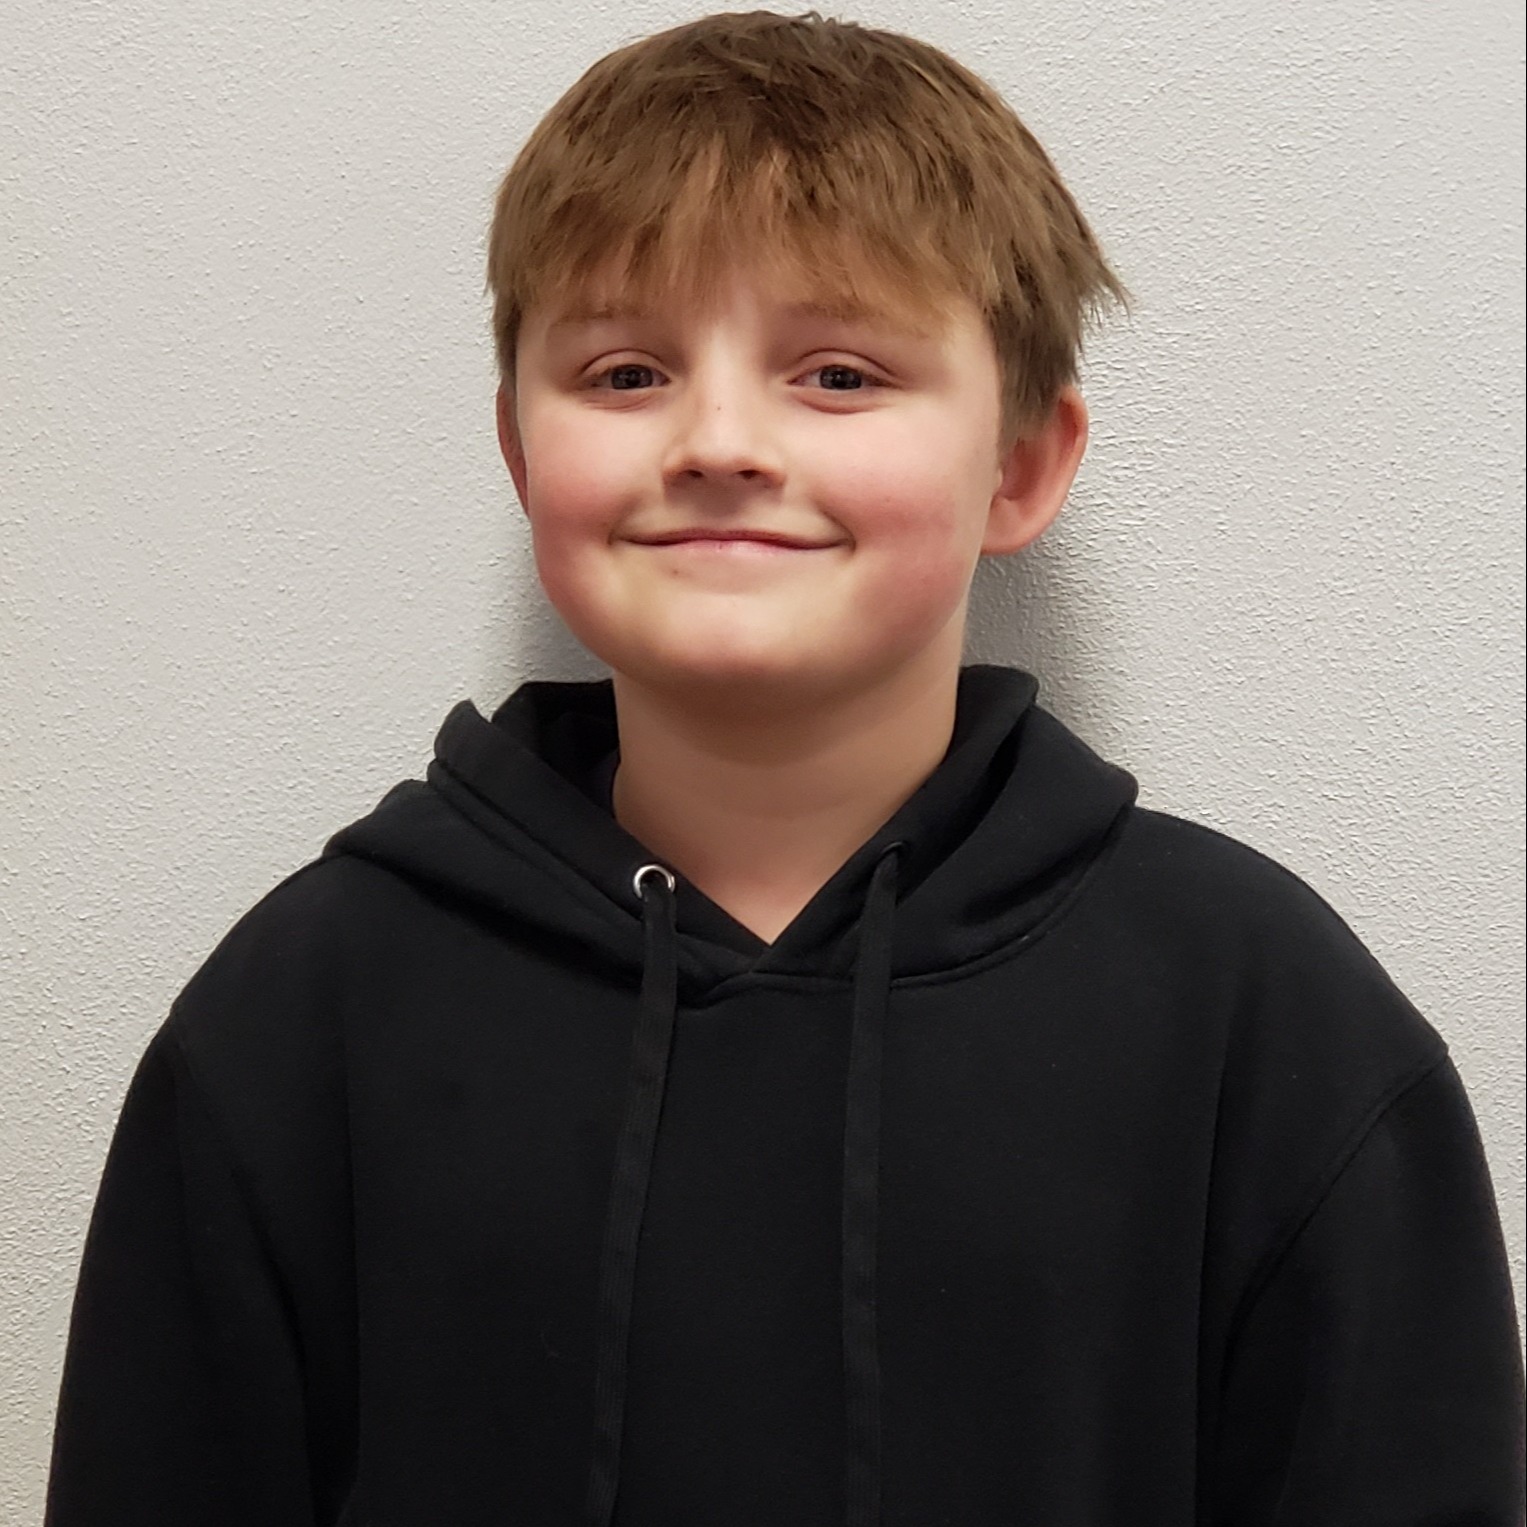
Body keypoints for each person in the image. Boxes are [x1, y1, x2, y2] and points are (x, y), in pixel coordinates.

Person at [44, 11, 1524, 1526]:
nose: (721, 441)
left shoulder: (1266, 1019)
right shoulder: (300, 1018)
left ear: (1018, 466)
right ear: (518, 451)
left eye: (836, 374)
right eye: (626, 374)